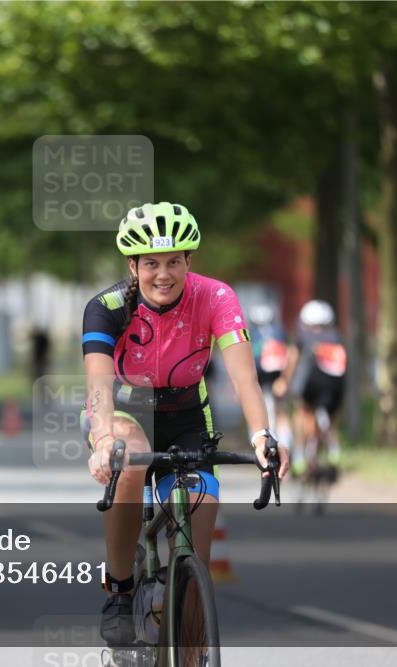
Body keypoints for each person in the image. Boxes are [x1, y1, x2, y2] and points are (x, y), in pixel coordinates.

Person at [81, 202, 289, 647]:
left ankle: (186, 630)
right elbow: (98, 385)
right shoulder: (106, 306)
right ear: (132, 266)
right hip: (124, 410)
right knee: (131, 456)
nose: (164, 274)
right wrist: (103, 439)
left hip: (189, 414)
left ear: (189, 261)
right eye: (151, 263)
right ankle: (119, 588)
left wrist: (261, 435)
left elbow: (244, 378)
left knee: (197, 548)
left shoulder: (216, 297)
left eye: (174, 261)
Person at [273, 299, 346, 476]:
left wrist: (284, 381)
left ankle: (299, 456)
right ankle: (333, 451)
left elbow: (292, 359)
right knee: (330, 418)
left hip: (310, 384)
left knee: (303, 413)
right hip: (335, 385)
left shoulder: (303, 337)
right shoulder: (337, 337)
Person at [248, 303, 293, 451]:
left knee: (256, 407)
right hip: (277, 374)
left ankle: (260, 442)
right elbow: (288, 354)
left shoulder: (251, 333)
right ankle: (285, 444)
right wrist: (285, 379)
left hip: (260, 374)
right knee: (282, 410)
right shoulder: (279, 331)